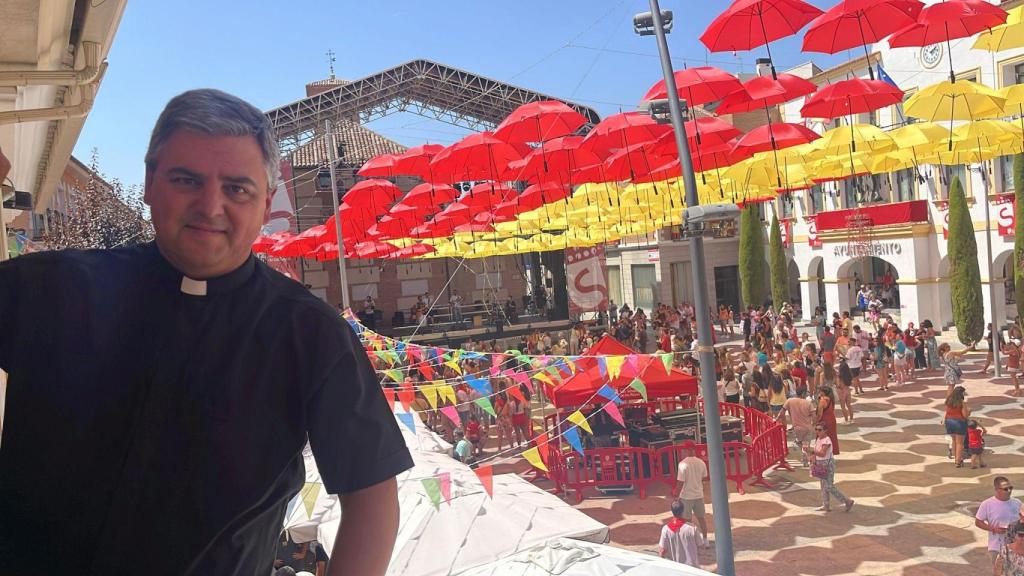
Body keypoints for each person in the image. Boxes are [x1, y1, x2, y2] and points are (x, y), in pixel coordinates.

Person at [0, 91, 413, 575]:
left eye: (237, 188)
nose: (210, 206)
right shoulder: (51, 289)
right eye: (186, 180)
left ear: (266, 203)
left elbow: (371, 496)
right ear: (150, 182)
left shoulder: (311, 334)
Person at [803, 423, 854, 513]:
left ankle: (847, 501)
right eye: (816, 429)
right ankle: (826, 505)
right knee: (823, 486)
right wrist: (812, 458)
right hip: (820, 463)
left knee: (829, 486)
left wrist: (811, 450)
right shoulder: (818, 439)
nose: (817, 431)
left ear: (825, 430)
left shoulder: (826, 440)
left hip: (827, 464)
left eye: (820, 430)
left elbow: (822, 453)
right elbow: (817, 452)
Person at [977, 477, 1023, 568]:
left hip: (1016, 546)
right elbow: (978, 522)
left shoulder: (1017, 503)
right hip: (997, 547)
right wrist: (993, 529)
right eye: (1005, 489)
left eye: (1010, 488)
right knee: (999, 571)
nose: (1009, 491)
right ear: (997, 489)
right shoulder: (987, 504)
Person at [672, 448, 710, 547]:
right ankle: (705, 540)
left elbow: (680, 482)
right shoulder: (701, 462)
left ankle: (691, 541)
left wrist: (676, 493)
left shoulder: (682, 464)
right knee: (701, 518)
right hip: (698, 495)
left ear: (686, 450)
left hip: (686, 496)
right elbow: (704, 477)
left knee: (687, 521)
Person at [659, 499, 703, 567]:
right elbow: (700, 546)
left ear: (672, 511)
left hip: (676, 568)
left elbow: (662, 551)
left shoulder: (666, 529)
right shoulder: (692, 528)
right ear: (683, 511)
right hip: (692, 568)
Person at [778, 387, 815, 466]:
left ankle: (797, 446)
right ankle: (805, 460)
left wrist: (777, 420)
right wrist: (814, 424)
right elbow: (814, 416)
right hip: (807, 428)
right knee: (806, 444)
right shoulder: (808, 403)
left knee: (800, 443)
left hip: (796, 428)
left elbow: (781, 413)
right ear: (803, 394)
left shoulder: (790, 401)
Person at [943, 386, 971, 468]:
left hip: (949, 421)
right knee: (960, 443)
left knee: (954, 441)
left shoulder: (948, 401)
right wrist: (969, 411)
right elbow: (965, 415)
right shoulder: (961, 402)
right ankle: (958, 461)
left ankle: (956, 457)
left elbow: (947, 411)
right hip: (959, 422)